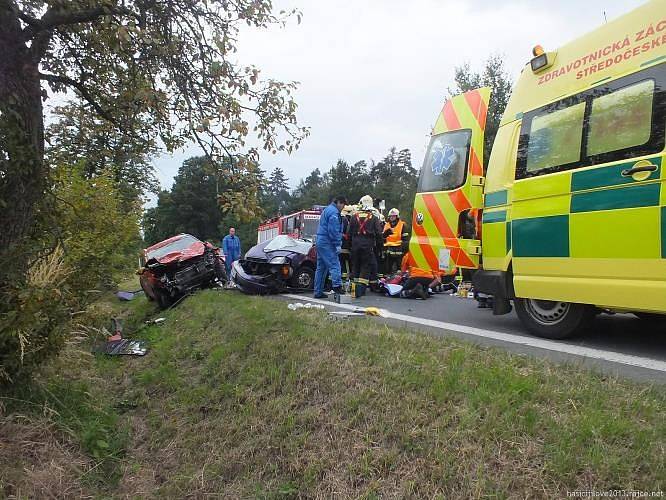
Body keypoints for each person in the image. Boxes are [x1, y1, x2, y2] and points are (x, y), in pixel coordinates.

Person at [349, 195, 384, 298]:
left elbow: (349, 233)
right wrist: (380, 247)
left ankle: (354, 289)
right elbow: (378, 234)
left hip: (355, 245)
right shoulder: (373, 218)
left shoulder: (353, 217)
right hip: (367, 245)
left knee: (355, 265)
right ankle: (360, 290)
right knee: (365, 266)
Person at [314, 195, 347, 299]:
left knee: (321, 268)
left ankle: (318, 291)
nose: (343, 207)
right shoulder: (334, 213)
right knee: (335, 264)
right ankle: (337, 287)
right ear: (339, 203)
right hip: (327, 242)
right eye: (343, 205)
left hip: (320, 241)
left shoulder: (327, 210)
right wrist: (337, 244)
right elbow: (333, 230)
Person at [383, 208, 410, 276]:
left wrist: (404, 249)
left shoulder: (402, 225)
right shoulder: (386, 225)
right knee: (387, 269)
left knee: (399, 268)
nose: (392, 217)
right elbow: (383, 237)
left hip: (399, 251)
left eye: (394, 216)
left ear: (397, 217)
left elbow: (405, 239)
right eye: (391, 216)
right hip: (388, 250)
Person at [339, 205, 354, 287]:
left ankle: (341, 280)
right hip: (345, 246)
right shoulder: (345, 220)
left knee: (341, 264)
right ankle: (345, 281)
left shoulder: (341, 218)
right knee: (345, 265)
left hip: (340, 245)